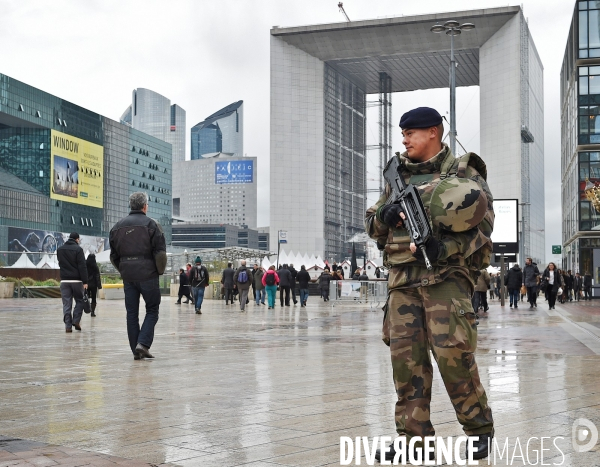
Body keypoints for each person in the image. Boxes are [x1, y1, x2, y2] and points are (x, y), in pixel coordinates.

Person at [365, 107, 494, 462]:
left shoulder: (463, 172)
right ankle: (413, 440)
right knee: (407, 364)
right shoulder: (397, 178)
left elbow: (483, 228)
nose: (404, 138)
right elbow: (372, 224)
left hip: (445, 279)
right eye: (403, 132)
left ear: (434, 132)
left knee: (454, 356)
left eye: (411, 132)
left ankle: (479, 430)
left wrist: (445, 248)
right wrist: (384, 216)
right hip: (402, 282)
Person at [110, 192, 166, 360]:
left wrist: (124, 270)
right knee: (152, 309)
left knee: (131, 313)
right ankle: (143, 344)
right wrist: (159, 271)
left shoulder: (117, 227)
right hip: (148, 274)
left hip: (128, 276)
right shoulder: (152, 225)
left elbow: (114, 256)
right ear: (145, 206)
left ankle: (136, 349)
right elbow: (160, 254)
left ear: (130, 205)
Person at [57, 232, 88, 332]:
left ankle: (68, 326)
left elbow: (60, 263)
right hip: (77, 280)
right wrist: (85, 281)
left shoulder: (60, 249)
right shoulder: (78, 249)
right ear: (77, 239)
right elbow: (82, 266)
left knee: (67, 304)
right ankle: (76, 320)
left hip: (64, 281)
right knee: (80, 300)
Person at [85, 252, 101, 317]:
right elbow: (97, 276)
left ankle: (86, 308)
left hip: (86, 284)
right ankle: (92, 311)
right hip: (94, 284)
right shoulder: (95, 266)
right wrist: (99, 285)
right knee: (94, 298)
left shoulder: (85, 266)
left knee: (86, 297)